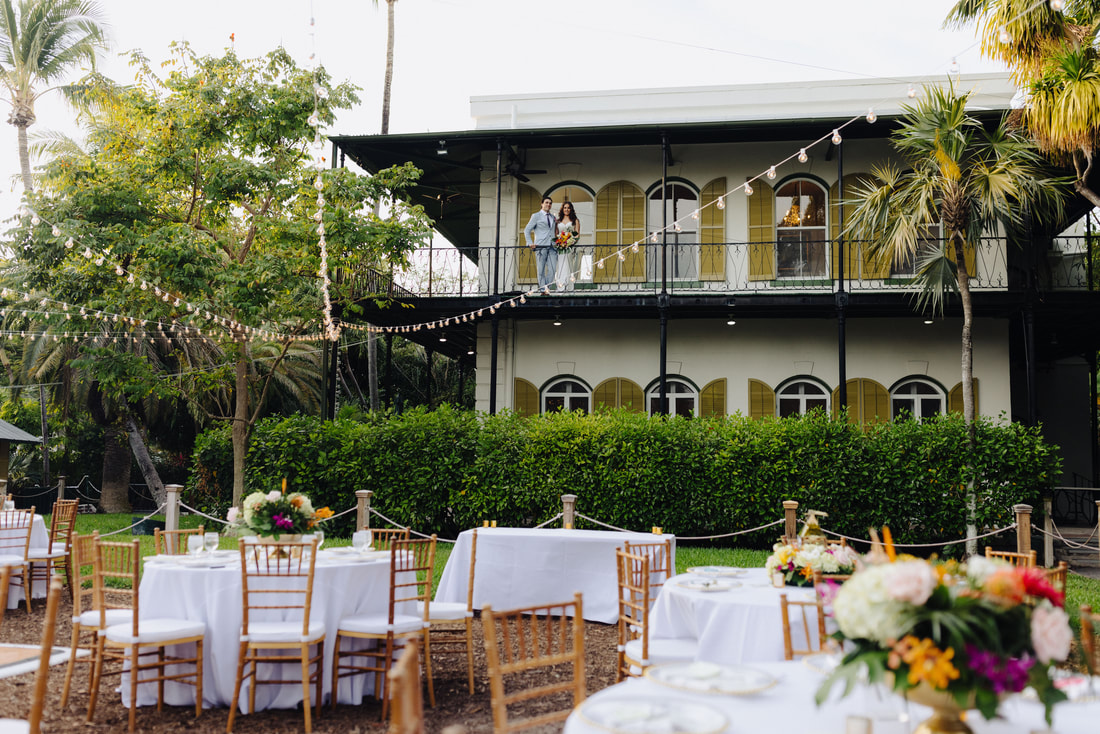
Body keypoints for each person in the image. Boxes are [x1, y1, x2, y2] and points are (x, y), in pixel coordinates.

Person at [524, 195, 557, 292]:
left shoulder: (553, 217)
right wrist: (530, 243)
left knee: (552, 269)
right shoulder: (536, 216)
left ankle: (546, 288)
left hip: (552, 246)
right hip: (540, 246)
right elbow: (527, 230)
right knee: (541, 270)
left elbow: (553, 231)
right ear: (542, 204)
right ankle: (543, 290)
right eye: (546, 202)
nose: (548, 204)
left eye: (550, 203)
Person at [555, 201, 580, 289]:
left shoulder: (575, 220)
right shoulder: (558, 221)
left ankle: (569, 287)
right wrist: (559, 242)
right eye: (565, 208)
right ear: (562, 209)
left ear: (571, 209)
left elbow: (577, 234)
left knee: (568, 265)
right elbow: (556, 234)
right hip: (561, 247)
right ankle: (561, 287)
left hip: (570, 246)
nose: (566, 209)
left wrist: (571, 242)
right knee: (561, 265)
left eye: (568, 208)